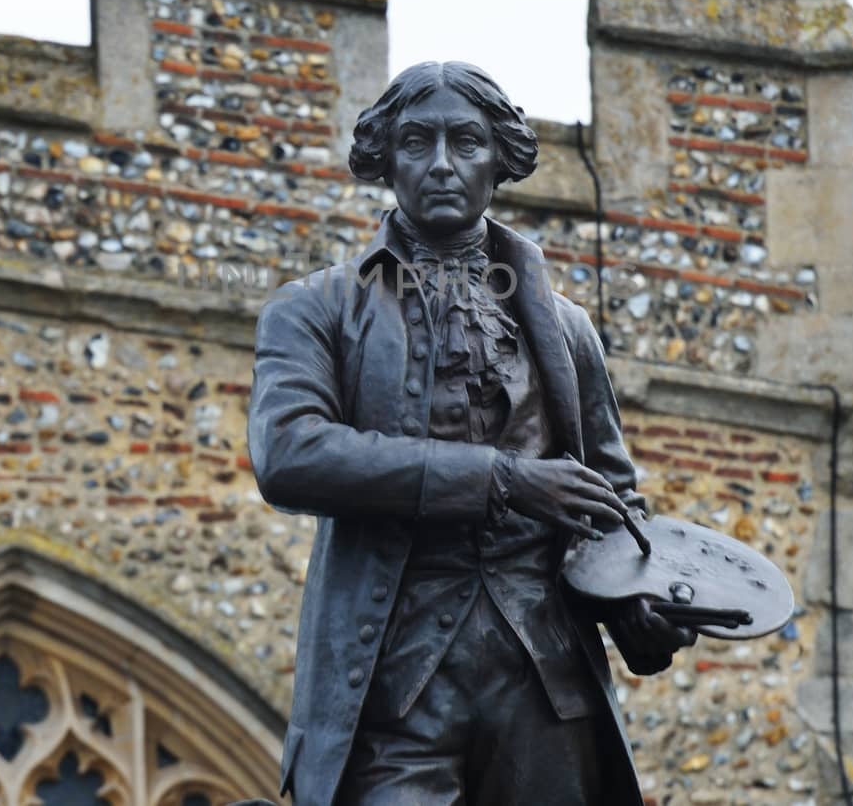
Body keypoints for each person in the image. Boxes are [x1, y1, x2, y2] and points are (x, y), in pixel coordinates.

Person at [247, 61, 696, 806]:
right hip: (394, 687)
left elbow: (612, 499)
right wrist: (504, 479)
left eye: (467, 142)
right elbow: (290, 454)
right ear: (387, 159)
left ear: (501, 159)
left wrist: (635, 600)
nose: (443, 165)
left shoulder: (568, 331)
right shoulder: (315, 308)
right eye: (417, 143)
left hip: (547, 685)